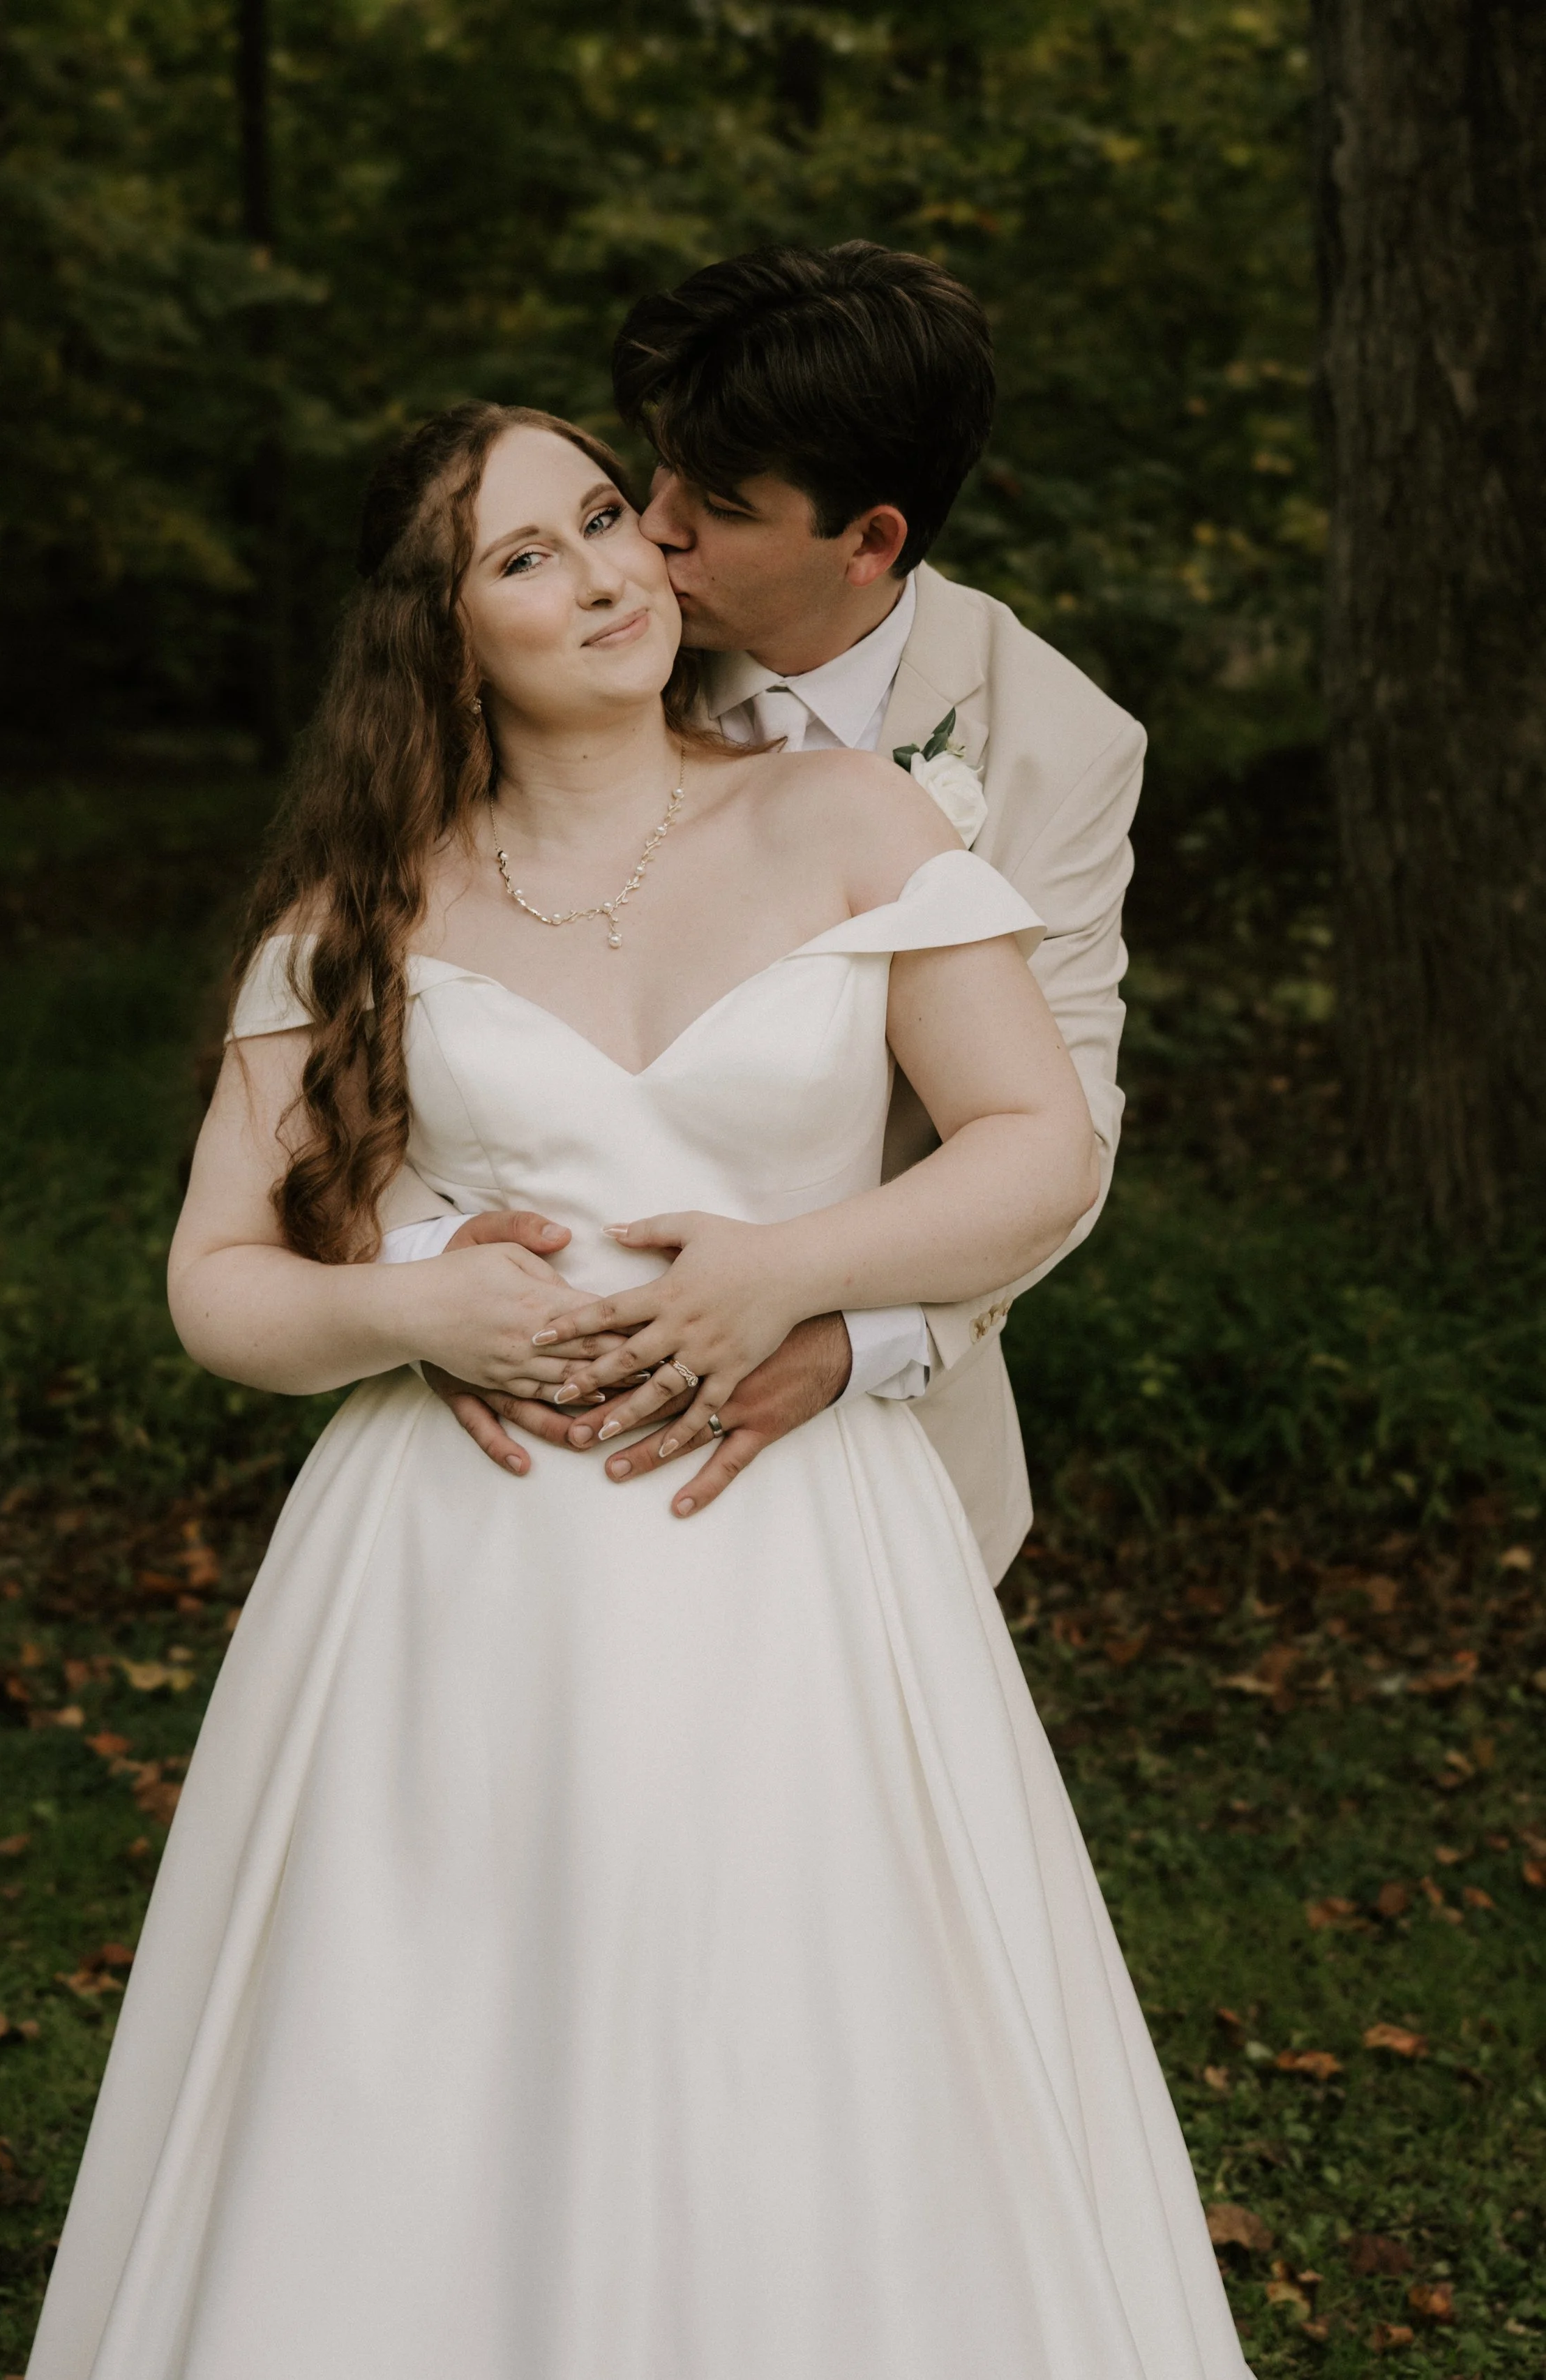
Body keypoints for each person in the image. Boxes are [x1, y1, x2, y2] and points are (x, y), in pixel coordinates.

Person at [27, 398, 1249, 2378]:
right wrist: (412, 1315)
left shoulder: (847, 817)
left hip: (790, 1548)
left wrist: (792, 1267)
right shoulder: (367, 908)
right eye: (526, 555)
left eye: (605, 519)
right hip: (451, 1574)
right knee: (430, 2061)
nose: (603, 573)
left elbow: (1037, 1141)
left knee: (806, 2033)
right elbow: (220, 1283)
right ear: (439, 631)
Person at [398, 241, 1144, 1583]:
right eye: (655, 471)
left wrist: (839, 1338)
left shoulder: (1054, 745)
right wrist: (424, 1274)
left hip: (866, 1445)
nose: (654, 528)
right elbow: (389, 991)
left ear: (870, 542)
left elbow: (1061, 1129)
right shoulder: (585, 639)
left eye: (721, 504)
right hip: (518, 1457)